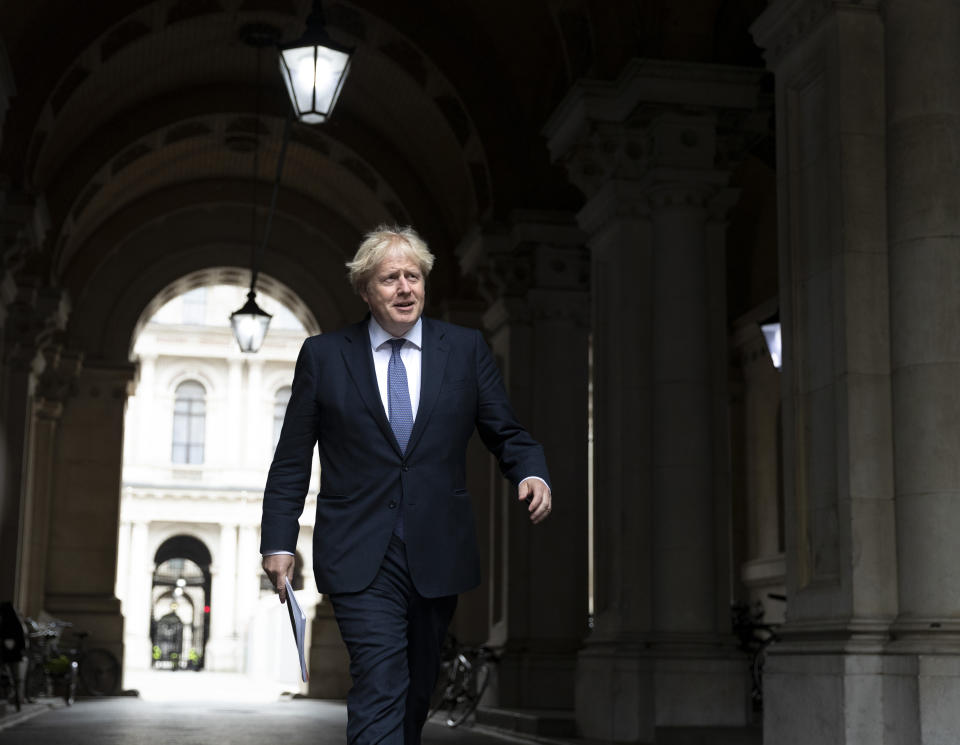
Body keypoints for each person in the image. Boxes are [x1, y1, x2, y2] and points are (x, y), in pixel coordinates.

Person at [260, 225, 551, 745]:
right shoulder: (325, 357)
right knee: (379, 679)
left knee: (416, 688)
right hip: (357, 549)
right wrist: (279, 541)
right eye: (390, 277)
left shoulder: (464, 350)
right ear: (365, 289)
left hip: (438, 548)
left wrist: (529, 471)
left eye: (413, 276)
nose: (404, 288)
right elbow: (291, 458)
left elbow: (505, 430)